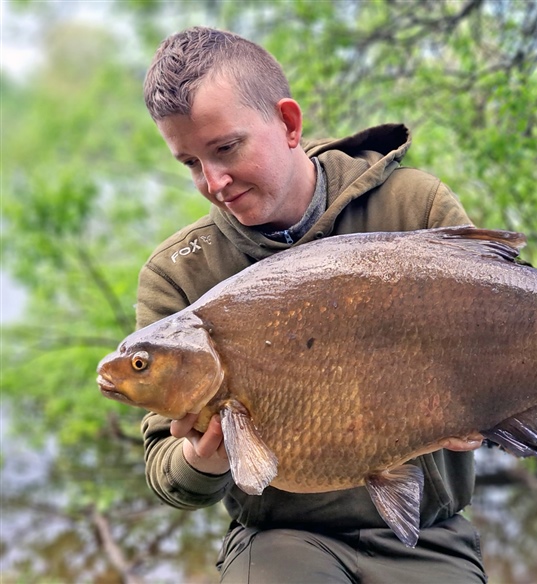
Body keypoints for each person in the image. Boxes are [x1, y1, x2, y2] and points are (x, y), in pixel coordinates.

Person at [137, 26, 487, 583]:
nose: (214, 181)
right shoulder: (180, 274)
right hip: (281, 537)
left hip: (427, 527)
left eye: (226, 148)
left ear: (289, 124)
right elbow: (166, 471)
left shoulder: (414, 207)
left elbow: (505, 338)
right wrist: (205, 459)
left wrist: (485, 408)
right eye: (190, 164)